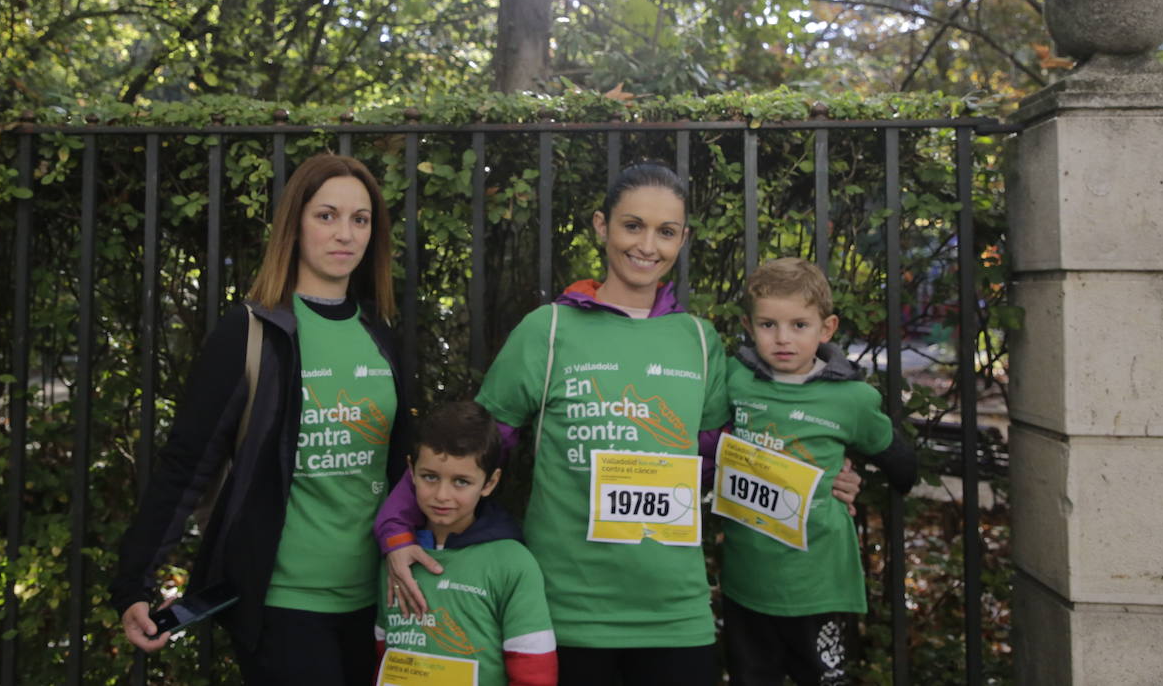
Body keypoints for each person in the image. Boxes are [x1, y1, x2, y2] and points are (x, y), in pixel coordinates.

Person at [380, 161, 733, 685]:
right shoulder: (547, 331)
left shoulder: (701, 342)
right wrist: (396, 530)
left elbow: (718, 464)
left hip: (676, 617)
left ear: (683, 238)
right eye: (632, 225)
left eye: (666, 231)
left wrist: (828, 478)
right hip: (565, 615)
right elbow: (469, 448)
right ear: (601, 225)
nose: (647, 246)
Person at [110, 152, 415, 686]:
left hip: (377, 605)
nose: (344, 233)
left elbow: (405, 469)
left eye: (359, 219)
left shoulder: (380, 334)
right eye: (326, 215)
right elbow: (186, 465)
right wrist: (134, 583)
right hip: (282, 606)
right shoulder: (250, 334)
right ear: (294, 225)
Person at [715, 257, 917, 686]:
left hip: (818, 582)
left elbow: (902, 465)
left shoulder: (852, 400)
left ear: (826, 329)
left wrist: (855, 472)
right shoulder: (735, 380)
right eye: (768, 325)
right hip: (746, 580)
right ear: (749, 328)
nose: (783, 338)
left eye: (799, 325)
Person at [373, 400, 557, 686]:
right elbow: (384, 654)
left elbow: (534, 670)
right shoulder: (397, 561)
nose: (442, 495)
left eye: (461, 482)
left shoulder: (512, 562)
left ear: (490, 483)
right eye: (430, 477)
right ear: (411, 472)